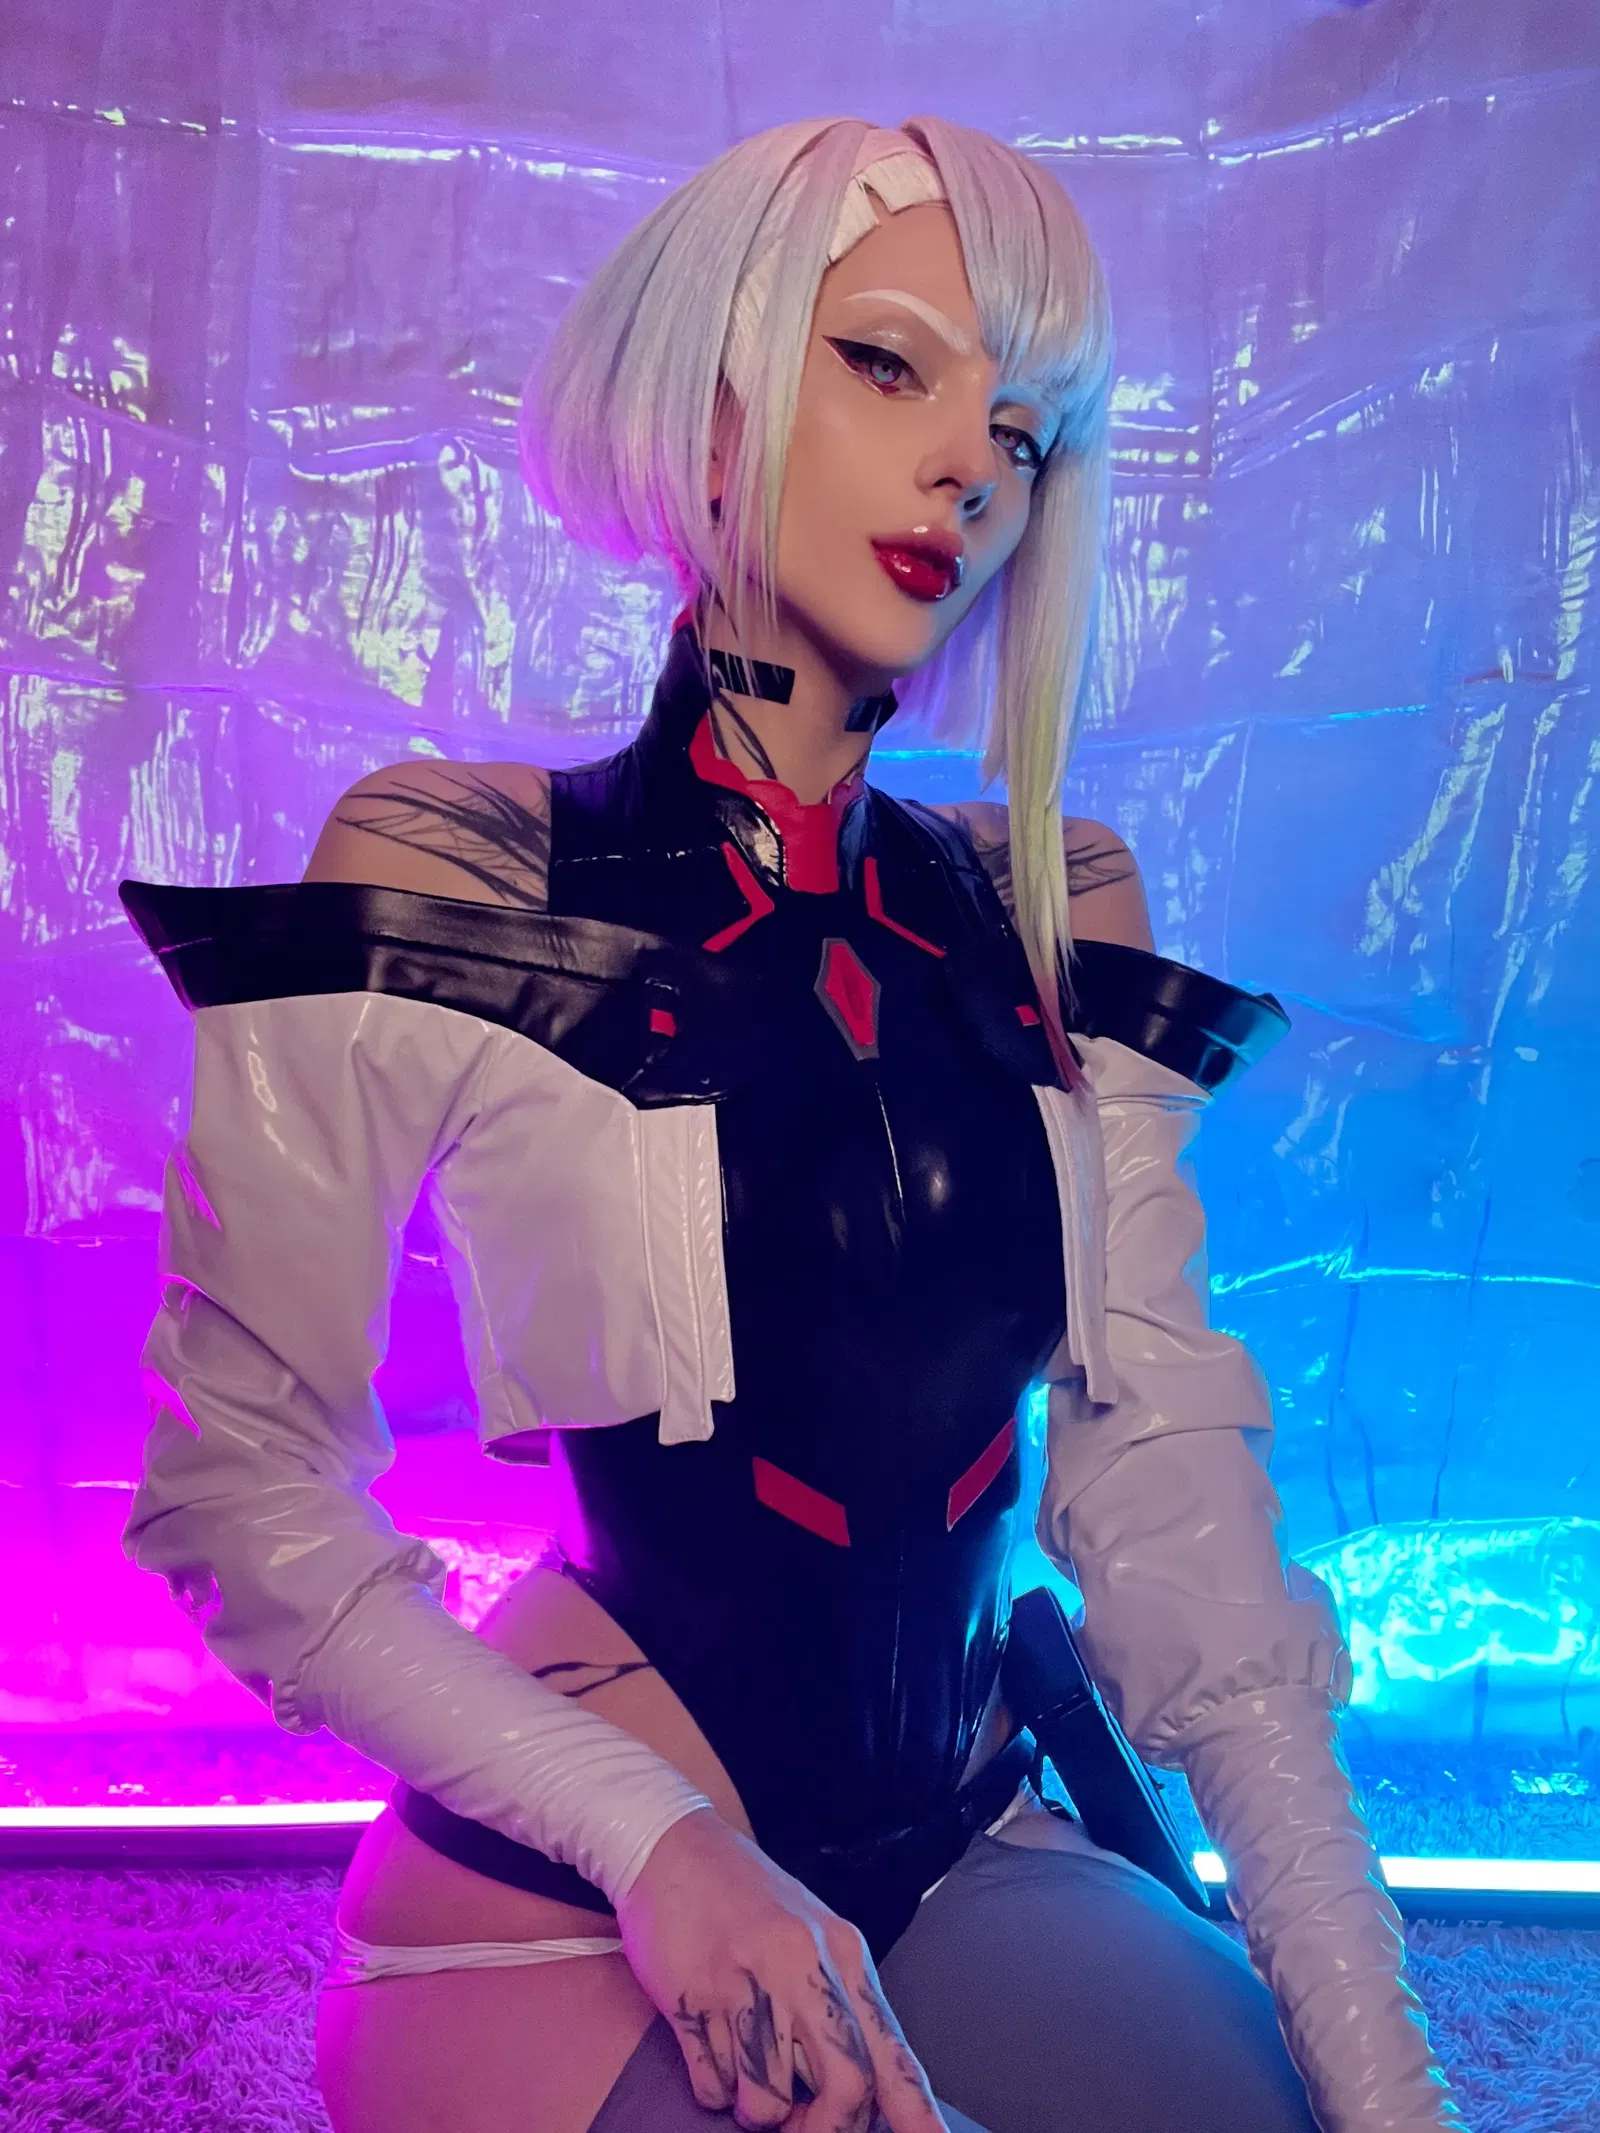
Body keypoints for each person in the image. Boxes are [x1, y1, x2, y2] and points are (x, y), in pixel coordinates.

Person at [119, 117, 1464, 2133]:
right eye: (887, 363)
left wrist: (1386, 2078)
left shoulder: (1049, 903)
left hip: (964, 1819)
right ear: (711, 396)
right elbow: (241, 1492)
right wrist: (653, 1843)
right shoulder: (458, 863)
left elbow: (1168, 1487)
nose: (966, 470)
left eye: (1019, 432)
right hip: (573, 1863)